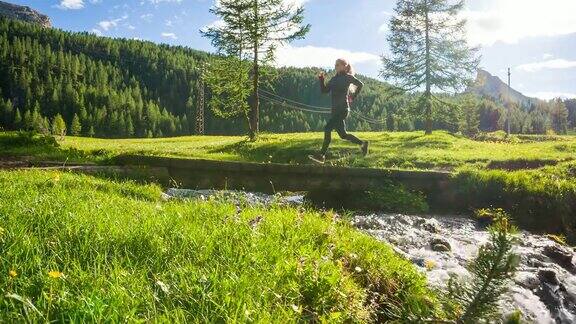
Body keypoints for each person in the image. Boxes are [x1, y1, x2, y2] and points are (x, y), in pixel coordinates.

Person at [310, 58, 369, 163]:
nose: (335, 67)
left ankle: (321, 155)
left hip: (343, 109)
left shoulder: (348, 77)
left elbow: (360, 84)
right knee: (343, 135)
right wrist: (321, 79)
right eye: (335, 65)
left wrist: (353, 96)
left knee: (327, 128)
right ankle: (363, 144)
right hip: (335, 111)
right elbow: (324, 91)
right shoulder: (333, 79)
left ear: (344, 66)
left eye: (338, 65)